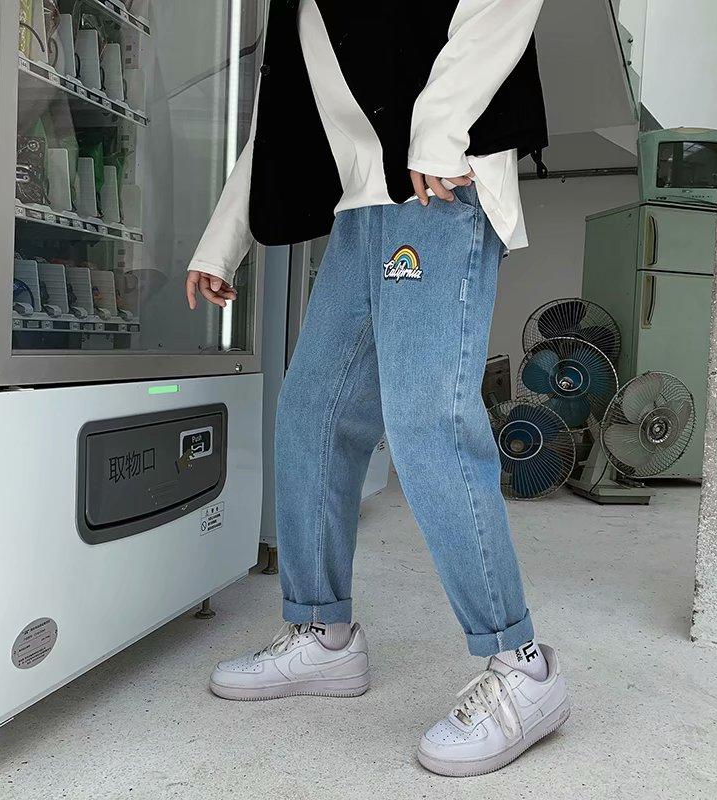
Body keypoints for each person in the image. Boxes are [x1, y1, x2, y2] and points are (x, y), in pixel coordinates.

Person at [185, 0, 569, 777]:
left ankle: (523, 667)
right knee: (312, 419)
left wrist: (441, 127)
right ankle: (323, 634)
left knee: (428, 419)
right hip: (361, 211)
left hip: (441, 182)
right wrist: (222, 243)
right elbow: (281, 124)